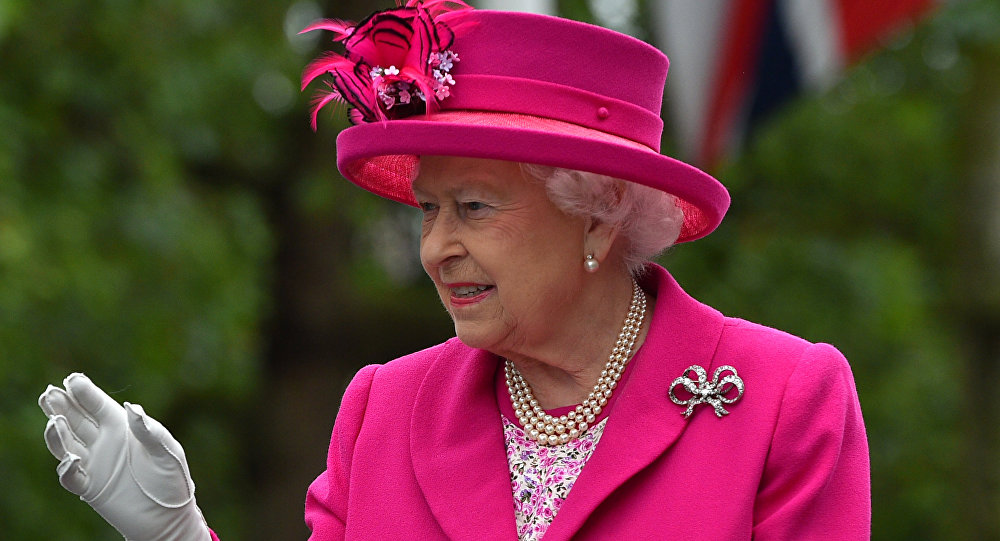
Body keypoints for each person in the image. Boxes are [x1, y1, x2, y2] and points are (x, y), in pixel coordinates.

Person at [38, 2, 871, 539]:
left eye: (473, 208)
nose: (436, 249)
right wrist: (179, 535)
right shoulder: (384, 411)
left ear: (599, 207)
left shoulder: (780, 399)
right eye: (427, 210)